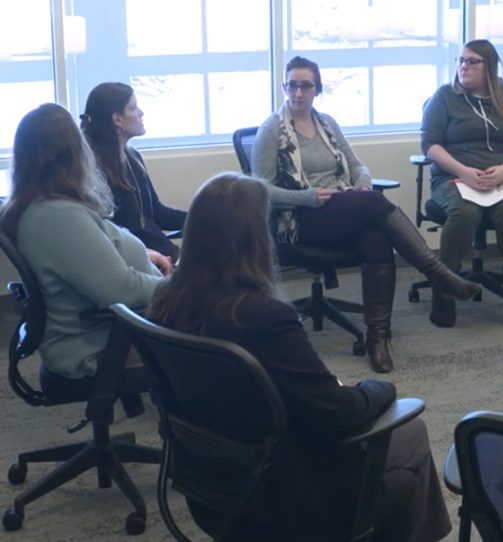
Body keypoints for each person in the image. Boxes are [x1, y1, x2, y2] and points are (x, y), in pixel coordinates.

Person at [148, 173, 452, 542]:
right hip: (285, 496)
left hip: (211, 487)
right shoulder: (261, 316)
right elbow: (336, 413)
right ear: (255, 238)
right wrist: (379, 388)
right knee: (410, 427)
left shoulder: (165, 302)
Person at [252, 55, 480, 374]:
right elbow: (260, 189)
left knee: (375, 239)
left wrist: (360, 185)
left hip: (340, 208)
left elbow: (357, 165)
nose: (298, 92)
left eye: (306, 85)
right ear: (284, 87)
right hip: (298, 219)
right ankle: (438, 274)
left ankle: (377, 337)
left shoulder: (327, 123)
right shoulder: (271, 130)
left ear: (318, 89)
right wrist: (307, 197)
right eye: (292, 85)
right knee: (373, 205)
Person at [0, 103, 169, 403]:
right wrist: (181, 285)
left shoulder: (36, 206)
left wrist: (144, 253)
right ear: (74, 153)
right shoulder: (58, 217)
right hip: (98, 347)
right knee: (222, 338)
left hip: (96, 334)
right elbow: (122, 290)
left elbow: (94, 250)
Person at [420, 39, 503, 328]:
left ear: (490, 66)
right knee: (465, 212)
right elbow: (430, 144)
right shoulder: (445, 97)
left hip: (502, 177)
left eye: (472, 61)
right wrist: (465, 171)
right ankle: (445, 287)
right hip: (454, 177)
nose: (464, 66)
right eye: (461, 61)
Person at [81, 82, 185, 264]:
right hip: (144, 263)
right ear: (117, 119)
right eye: (133, 108)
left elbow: (157, 214)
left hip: (166, 256)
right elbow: (108, 236)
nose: (141, 113)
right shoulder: (94, 171)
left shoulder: (133, 157)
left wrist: (202, 217)